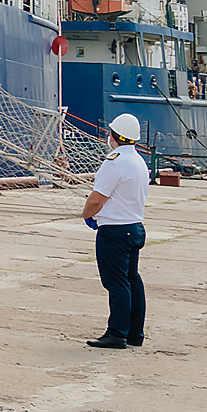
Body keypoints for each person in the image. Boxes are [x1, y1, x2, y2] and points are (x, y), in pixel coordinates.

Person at [83, 113, 151, 349]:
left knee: (116, 283)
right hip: (134, 227)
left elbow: (97, 198)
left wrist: (87, 214)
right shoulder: (138, 161)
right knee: (132, 280)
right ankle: (134, 333)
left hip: (115, 231)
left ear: (112, 136)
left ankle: (116, 333)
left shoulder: (115, 162)